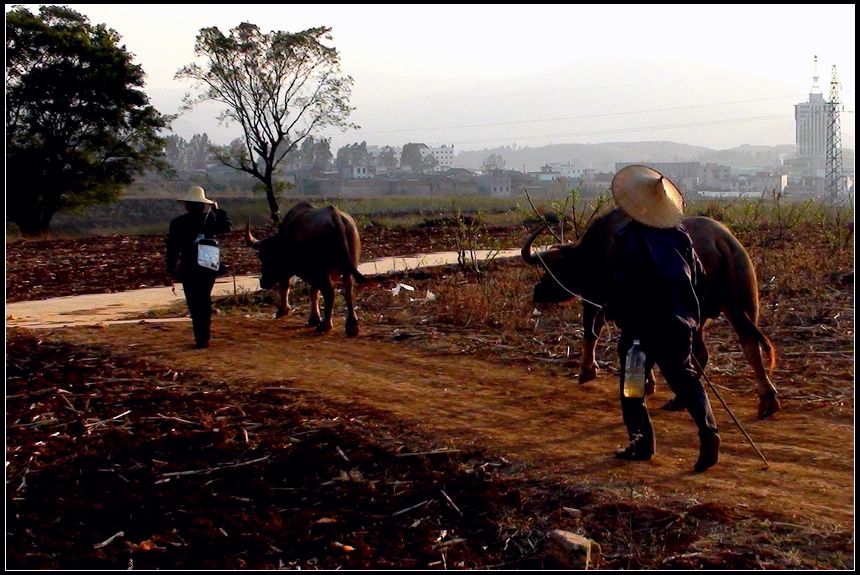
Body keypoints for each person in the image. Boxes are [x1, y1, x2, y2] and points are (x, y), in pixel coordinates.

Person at [604, 165, 720, 472]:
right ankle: (709, 433)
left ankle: (641, 442)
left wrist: (612, 309)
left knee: (632, 386)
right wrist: (691, 319)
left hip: (641, 330)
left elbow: (625, 284)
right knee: (685, 378)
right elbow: (699, 280)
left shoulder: (630, 238)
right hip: (678, 326)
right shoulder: (681, 237)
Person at [165, 185, 232, 349]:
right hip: (208, 266)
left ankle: (200, 336)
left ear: (187, 205)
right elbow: (227, 227)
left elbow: (172, 248)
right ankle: (204, 336)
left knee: (194, 302)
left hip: (188, 267)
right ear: (204, 204)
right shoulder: (211, 219)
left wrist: (170, 269)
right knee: (204, 299)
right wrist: (217, 210)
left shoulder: (178, 223)